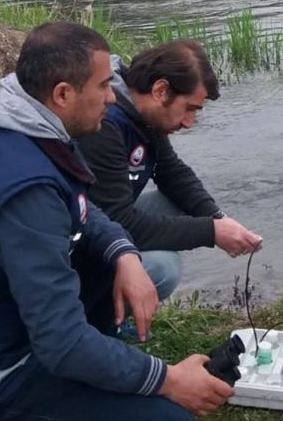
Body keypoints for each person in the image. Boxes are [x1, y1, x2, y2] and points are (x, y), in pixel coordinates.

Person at [0, 22, 233, 421]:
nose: (112, 99)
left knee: (108, 263)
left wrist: (124, 254)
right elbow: (62, 344)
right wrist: (167, 379)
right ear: (63, 94)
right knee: (172, 416)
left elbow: (79, 202)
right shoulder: (26, 191)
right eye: (102, 87)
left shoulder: (1, 121)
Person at [76, 40, 262, 304]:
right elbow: (118, 221)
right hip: (79, 241)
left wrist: (218, 218)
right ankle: (96, 317)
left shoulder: (141, 115)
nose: (189, 122)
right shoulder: (105, 124)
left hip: (105, 222)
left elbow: (171, 172)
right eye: (189, 109)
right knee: (163, 269)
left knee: (177, 202)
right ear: (161, 90)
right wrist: (211, 232)